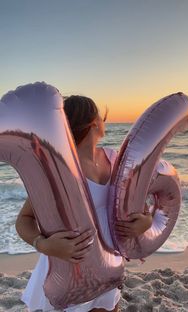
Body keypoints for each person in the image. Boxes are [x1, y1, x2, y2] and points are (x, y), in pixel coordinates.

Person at [15, 95, 153, 312]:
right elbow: (24, 219)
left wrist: (146, 221)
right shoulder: (58, 169)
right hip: (69, 270)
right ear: (94, 123)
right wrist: (42, 244)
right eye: (101, 115)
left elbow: (138, 206)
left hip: (108, 263)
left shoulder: (114, 159)